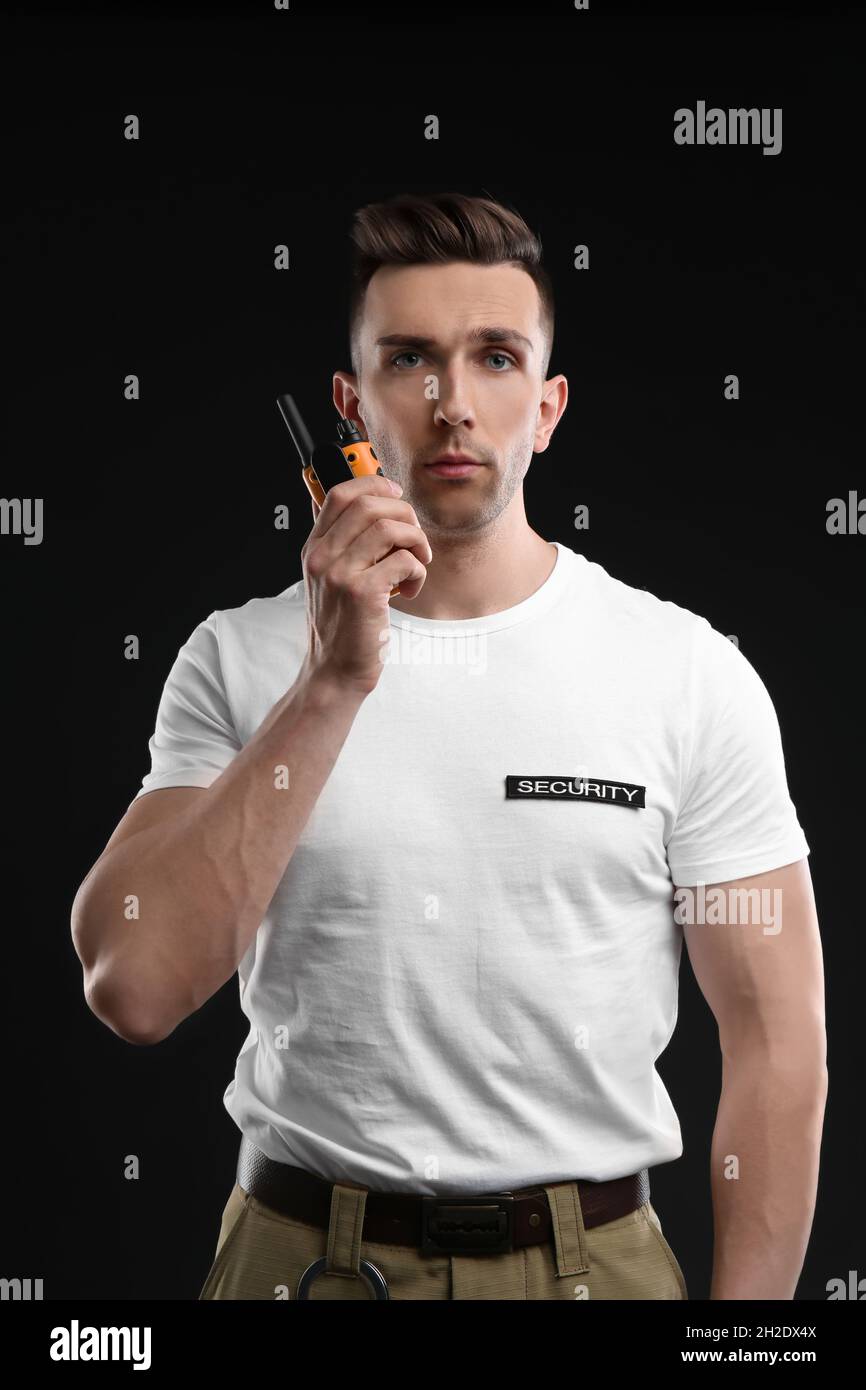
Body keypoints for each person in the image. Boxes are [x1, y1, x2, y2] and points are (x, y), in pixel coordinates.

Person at [71, 191, 827, 1301]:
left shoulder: (686, 671)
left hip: (591, 1271)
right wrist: (331, 680)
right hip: (302, 1262)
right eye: (410, 359)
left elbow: (776, 1041)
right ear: (350, 403)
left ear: (547, 405)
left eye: (495, 358)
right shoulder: (238, 659)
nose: (451, 404)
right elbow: (132, 982)